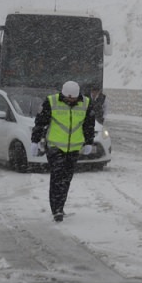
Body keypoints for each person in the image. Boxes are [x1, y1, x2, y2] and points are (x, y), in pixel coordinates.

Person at [31, 80, 96, 222]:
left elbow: (89, 125)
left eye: (73, 98)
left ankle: (60, 205)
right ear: (63, 94)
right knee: (57, 177)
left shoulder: (86, 103)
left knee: (66, 179)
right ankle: (56, 210)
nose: (70, 100)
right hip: (55, 146)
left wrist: (89, 142)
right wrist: (35, 140)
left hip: (74, 148)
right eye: (68, 98)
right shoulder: (51, 101)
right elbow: (40, 122)